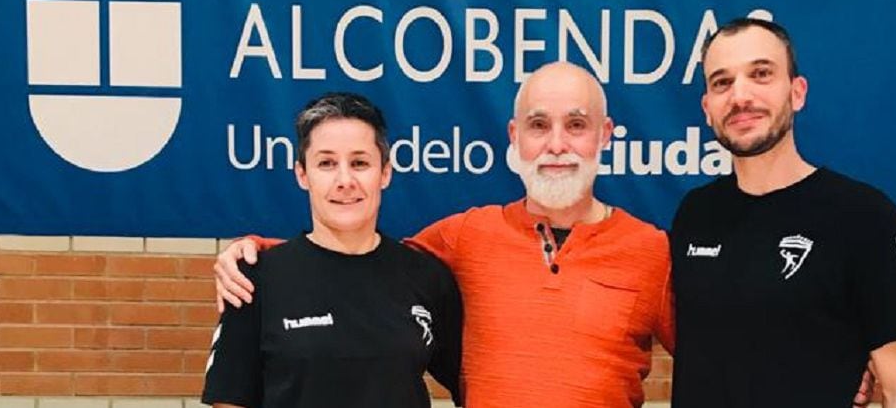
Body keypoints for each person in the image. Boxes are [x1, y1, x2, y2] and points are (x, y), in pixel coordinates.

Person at [214, 62, 675, 408]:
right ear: (515, 137)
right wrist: (256, 253)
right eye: (538, 125)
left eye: (576, 125)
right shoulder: (466, 236)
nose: (556, 145)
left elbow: (717, 354)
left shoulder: (652, 251)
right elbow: (354, 259)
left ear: (606, 134)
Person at [670, 18, 896, 407]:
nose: (740, 96)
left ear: (797, 92)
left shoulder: (866, 217)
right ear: (707, 108)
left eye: (760, 74)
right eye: (722, 82)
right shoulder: (694, 214)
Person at [201, 92, 462, 408]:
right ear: (302, 175)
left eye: (359, 163)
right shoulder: (254, 281)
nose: (345, 180)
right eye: (326, 163)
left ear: (385, 173)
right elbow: (230, 400)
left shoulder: (427, 277)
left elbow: (472, 383)